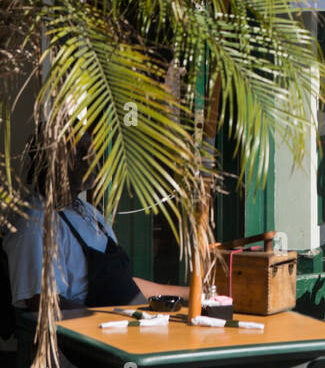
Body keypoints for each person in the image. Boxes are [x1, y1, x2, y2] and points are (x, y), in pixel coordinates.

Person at [5, 134, 188, 313]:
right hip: (90, 336)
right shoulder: (36, 225)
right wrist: (110, 319)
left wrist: (190, 294)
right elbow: (42, 302)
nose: (91, 161)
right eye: (80, 153)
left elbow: (121, 283)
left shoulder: (89, 212)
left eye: (91, 152)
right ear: (51, 162)